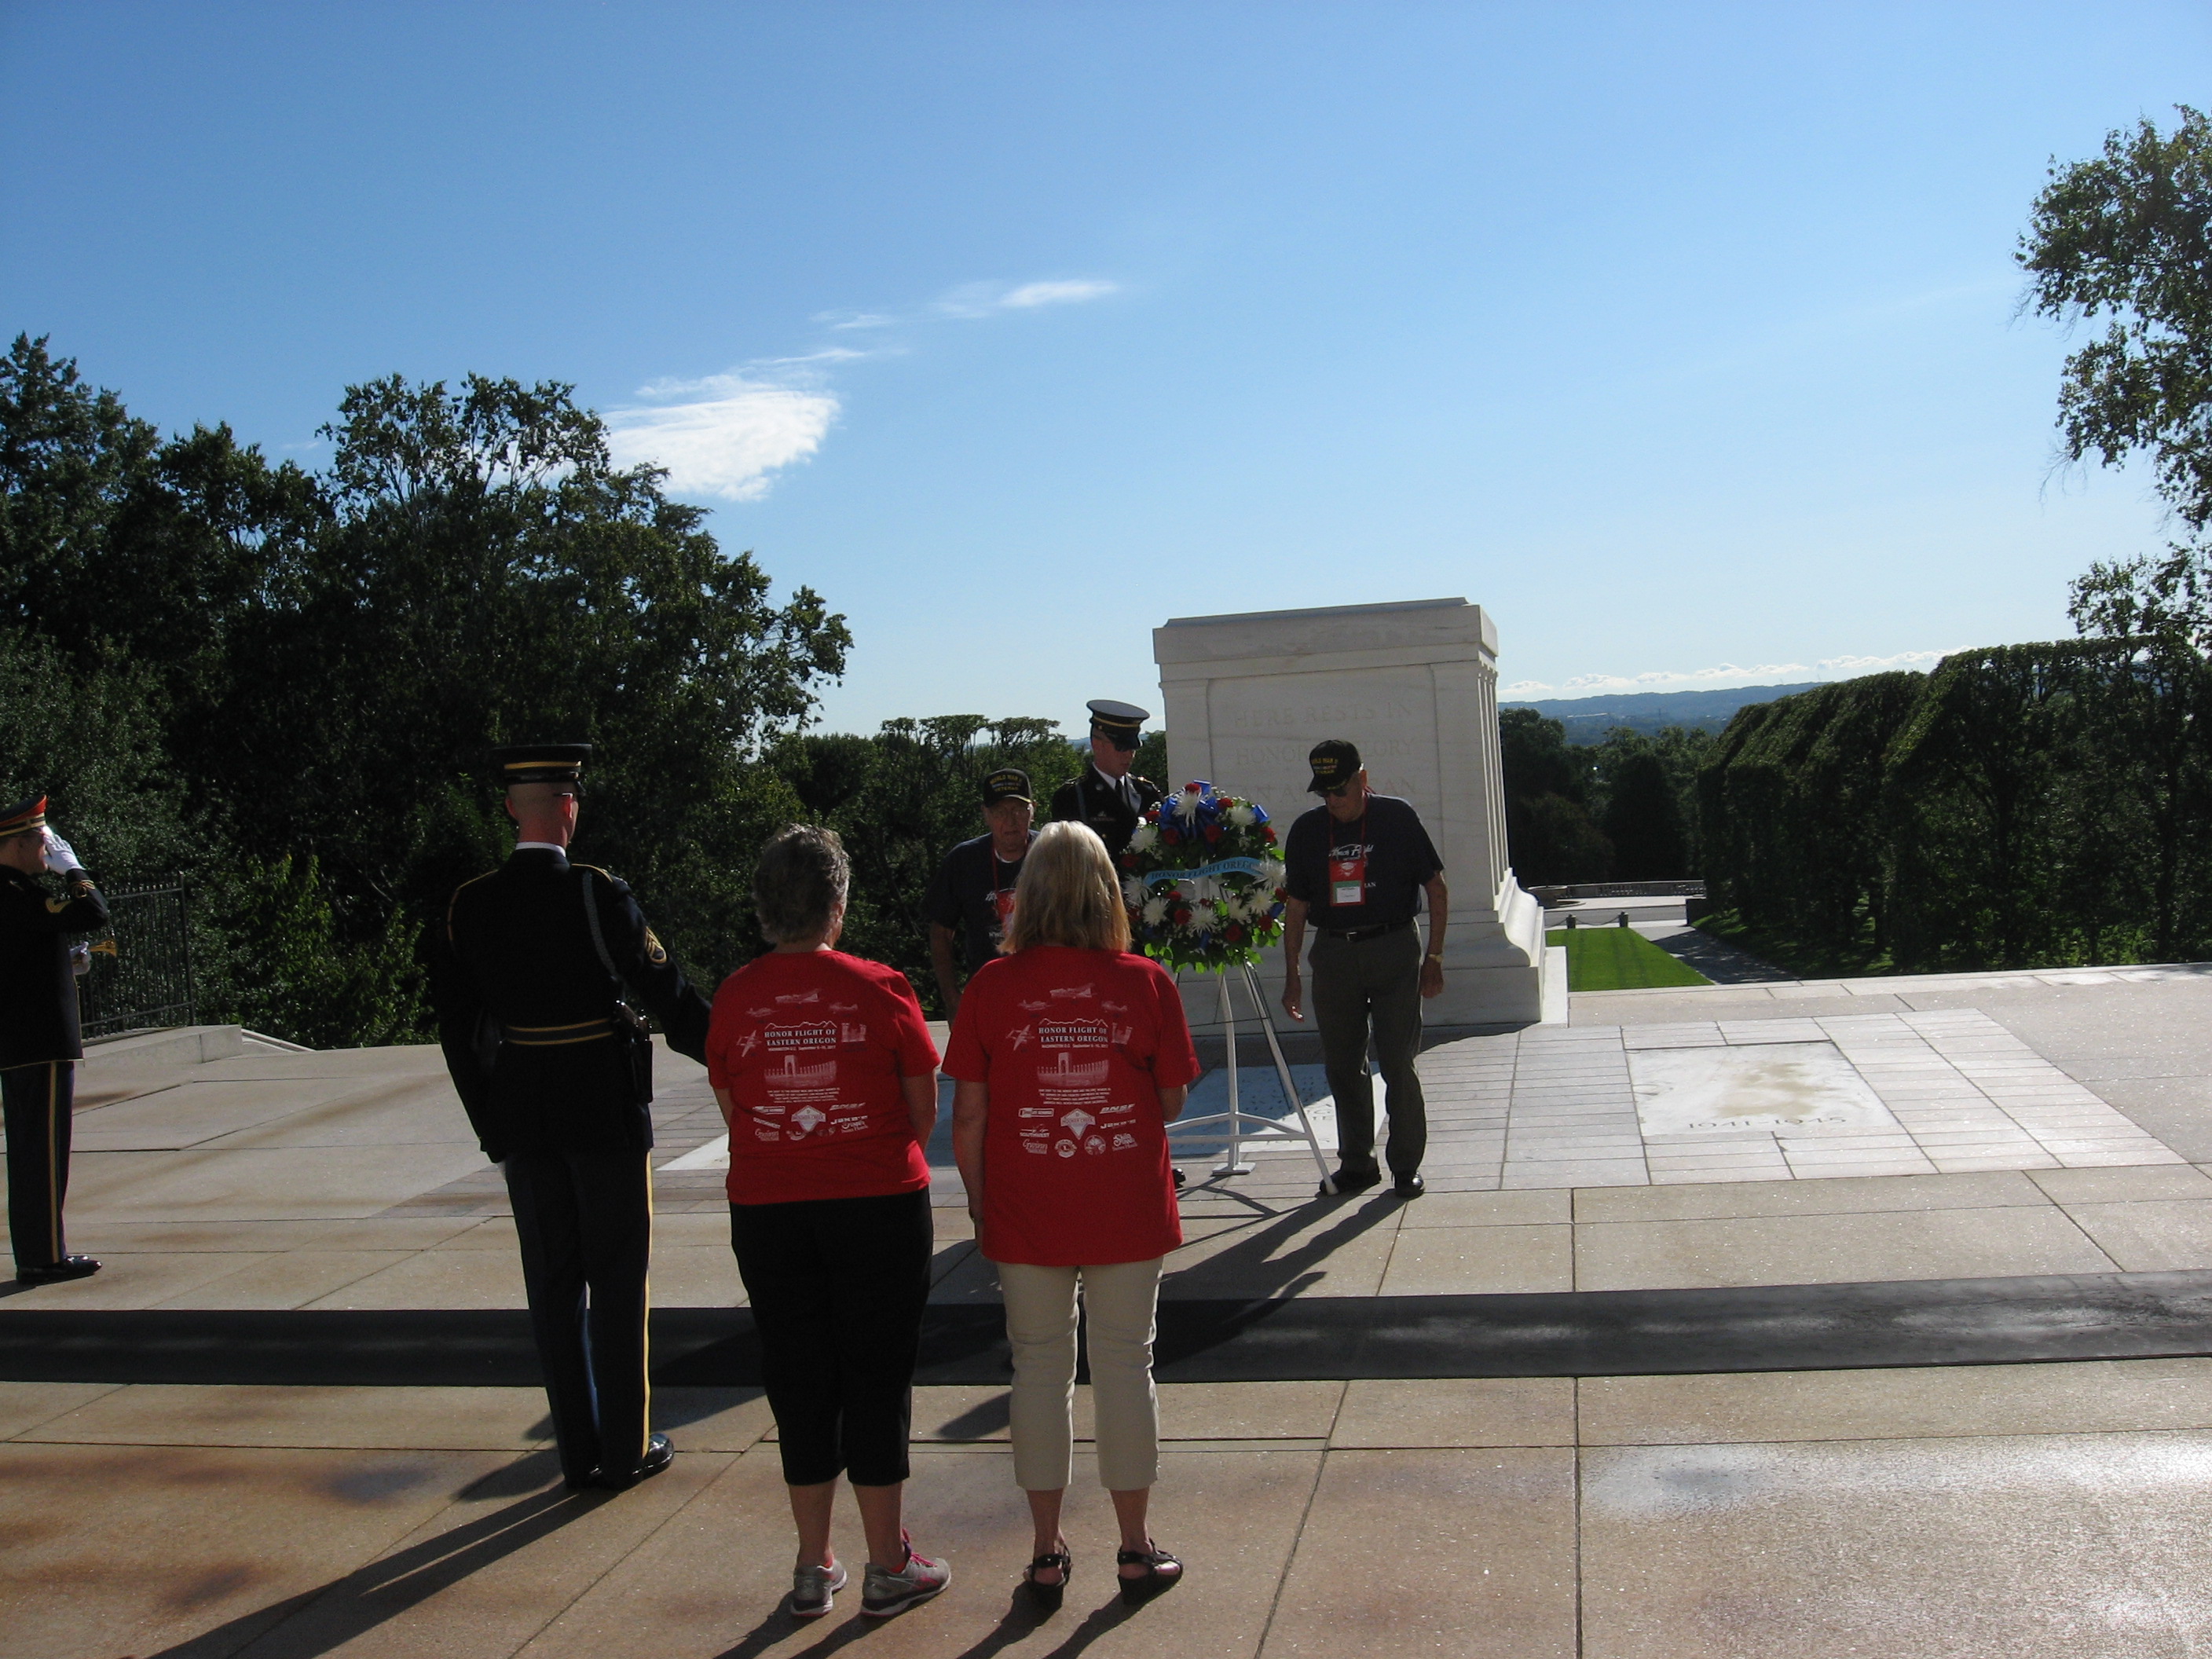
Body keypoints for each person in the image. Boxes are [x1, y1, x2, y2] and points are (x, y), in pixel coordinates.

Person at [428, 744, 712, 1492]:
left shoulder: (469, 905)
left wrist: (491, 1125)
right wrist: (735, 1049)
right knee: (618, 1279)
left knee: (553, 1285)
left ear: (510, 809)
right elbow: (668, 995)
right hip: (602, 1105)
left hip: (523, 1112)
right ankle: (624, 1448)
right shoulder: (596, 892)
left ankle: (577, 1452)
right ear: (568, 806)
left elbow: (459, 1032)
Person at [946, 821, 1196, 1613]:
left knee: (1038, 1367)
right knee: (1125, 1363)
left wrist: (980, 1202)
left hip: (1028, 1205)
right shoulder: (1145, 982)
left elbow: (968, 1116)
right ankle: (1135, 1546)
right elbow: (1171, 1099)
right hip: (1124, 1202)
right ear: (1105, 894)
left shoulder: (991, 986)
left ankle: (1046, 1551)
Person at [705, 824, 951, 1622]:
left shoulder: (735, 996)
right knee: (877, 1378)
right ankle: (888, 1564)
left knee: (797, 1377)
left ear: (764, 907)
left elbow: (734, 1106)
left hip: (769, 1210)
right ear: (837, 906)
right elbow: (922, 1110)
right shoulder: (881, 987)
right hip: (877, 1204)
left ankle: (813, 1565)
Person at [1277, 739, 1448, 1200]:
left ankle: (1405, 1165)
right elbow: (1297, 906)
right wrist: (1292, 975)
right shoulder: (1308, 830)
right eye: (1325, 793)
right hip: (1335, 953)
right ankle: (1357, 1163)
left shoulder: (1396, 817)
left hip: (1393, 947)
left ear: (1363, 779)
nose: (1334, 801)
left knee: (1396, 1060)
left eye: (1341, 790)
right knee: (1342, 1064)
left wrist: (1434, 958)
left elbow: (1436, 887)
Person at [0, 796, 108, 1284]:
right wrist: (74, 869)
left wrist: (63, 964)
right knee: (40, 1155)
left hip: (24, 1039)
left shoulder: (13, 894)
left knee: (33, 1152)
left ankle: (40, 1252)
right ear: (17, 844)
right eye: (41, 841)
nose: (48, 849)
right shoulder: (14, 892)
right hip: (36, 1042)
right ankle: (42, 1259)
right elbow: (94, 911)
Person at [924, 768, 1037, 1019]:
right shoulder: (964, 860)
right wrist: (952, 999)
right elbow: (941, 932)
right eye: (1000, 812)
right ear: (985, 814)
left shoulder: (1051, 854)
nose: (1010, 821)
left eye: (1019, 810)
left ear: (1033, 811)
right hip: (988, 995)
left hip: (1046, 992)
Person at [1049, 700, 1165, 860]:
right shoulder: (1073, 797)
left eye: (1132, 748)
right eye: (1121, 747)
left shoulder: (1146, 792)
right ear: (1097, 744)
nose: (1129, 755)